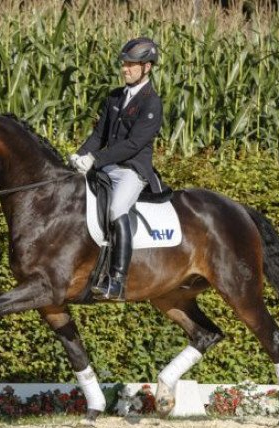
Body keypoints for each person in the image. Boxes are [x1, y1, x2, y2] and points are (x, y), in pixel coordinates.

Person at [70, 37, 164, 301]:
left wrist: (95, 160)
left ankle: (117, 280)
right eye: (124, 64)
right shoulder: (114, 96)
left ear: (147, 67)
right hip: (105, 165)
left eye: (132, 65)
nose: (125, 69)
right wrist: (80, 155)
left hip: (132, 170)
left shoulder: (151, 103)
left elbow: (134, 144)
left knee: (116, 209)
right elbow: (98, 135)